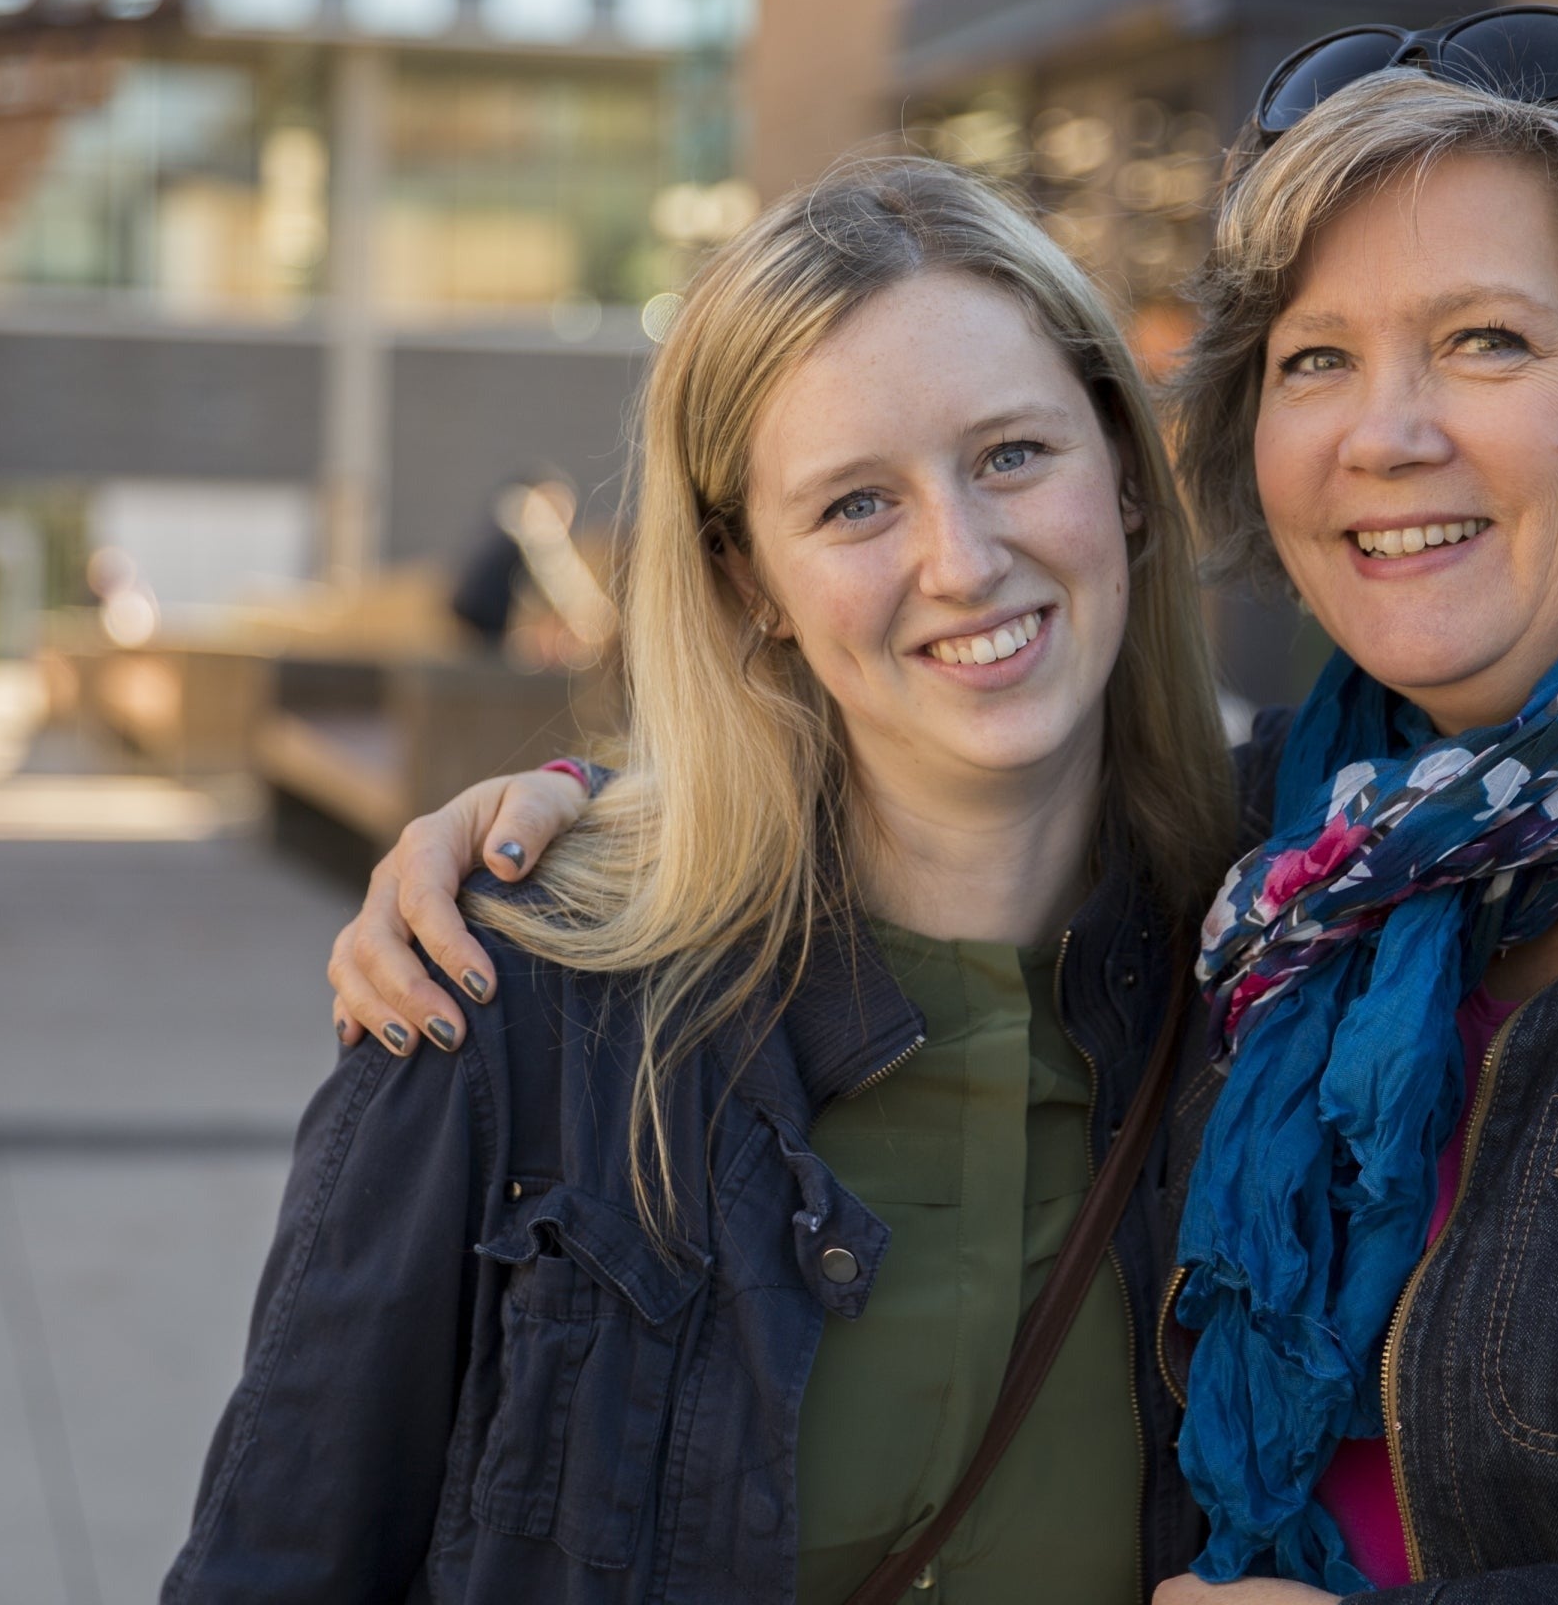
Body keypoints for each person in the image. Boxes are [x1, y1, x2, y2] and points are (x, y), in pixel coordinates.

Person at [325, 7, 1558, 1599]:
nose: (1385, 431)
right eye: (1320, 360)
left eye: (1486, 341)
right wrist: (584, 815)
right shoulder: (1273, 871)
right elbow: (899, 796)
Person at [164, 158, 1241, 1603]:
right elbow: (272, 1567)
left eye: (1010, 456)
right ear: (749, 584)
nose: (963, 559)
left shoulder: (1277, 971)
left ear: (1125, 471)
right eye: (856, 505)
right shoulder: (506, 997)